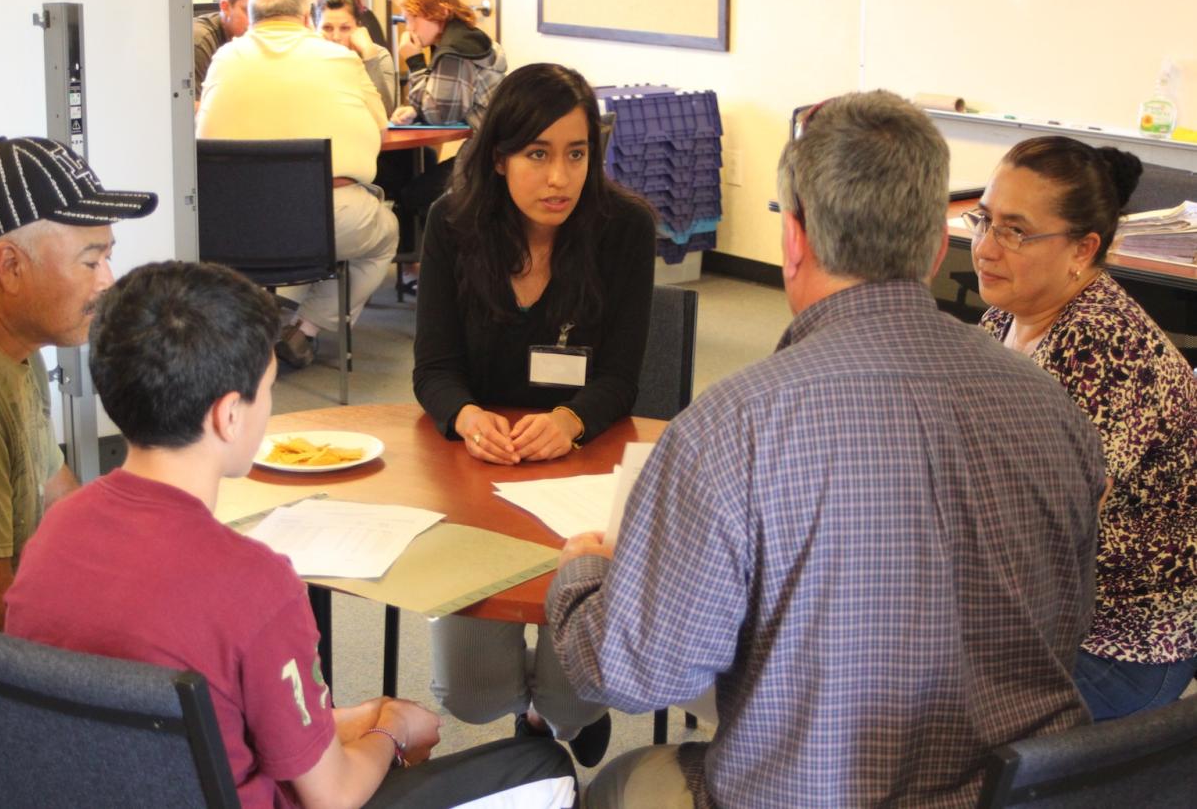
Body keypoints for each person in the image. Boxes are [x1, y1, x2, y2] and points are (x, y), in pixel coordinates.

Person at [547, 92, 1108, 808]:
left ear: (794, 239)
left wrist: (584, 575)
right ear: (938, 248)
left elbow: (635, 673)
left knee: (621, 785)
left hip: (811, 795)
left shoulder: (733, 426)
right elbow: (1068, 621)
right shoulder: (1055, 408)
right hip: (1018, 794)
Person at [4, 260, 577, 809]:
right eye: (270, 388)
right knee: (545, 770)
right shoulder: (255, 583)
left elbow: (215, 711)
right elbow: (333, 795)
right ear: (229, 416)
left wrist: (356, 719)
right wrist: (393, 731)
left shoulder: (54, 534)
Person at [412, 63, 656, 769]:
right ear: (499, 157)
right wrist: (464, 417)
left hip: (578, 468)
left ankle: (552, 716)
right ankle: (526, 710)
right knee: (472, 694)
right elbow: (433, 370)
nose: (559, 178)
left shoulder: (624, 229)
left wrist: (569, 420)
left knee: (572, 693)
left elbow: (620, 378)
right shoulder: (452, 224)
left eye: (576, 154)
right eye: (538, 154)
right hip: (476, 471)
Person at [970, 135, 1197, 721]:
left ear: (1082, 248)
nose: (984, 248)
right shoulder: (1006, 316)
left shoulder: (1105, 347)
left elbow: (1046, 528)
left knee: (929, 727)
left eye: (1014, 231)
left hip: (1118, 641)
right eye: (985, 220)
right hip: (1040, 610)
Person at [0, 135, 156, 631]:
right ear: (10, 265)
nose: (108, 280)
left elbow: (60, 500)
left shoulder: (8, 339)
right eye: (90, 261)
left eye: (108, 257)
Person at [197, 0, 399, 369]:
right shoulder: (341, 60)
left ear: (251, 19)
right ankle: (304, 330)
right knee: (383, 234)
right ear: (308, 17)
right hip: (323, 219)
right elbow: (381, 126)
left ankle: (245, 336)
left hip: (230, 226)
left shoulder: (224, 58)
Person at [390, 0, 507, 235]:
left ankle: (427, 267)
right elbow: (445, 100)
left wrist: (415, 62)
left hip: (485, 159)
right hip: (500, 147)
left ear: (440, 12)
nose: (408, 28)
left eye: (413, 18)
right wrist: (417, 109)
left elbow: (440, 115)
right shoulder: (473, 39)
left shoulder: (454, 52)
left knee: (413, 193)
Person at [316, 0, 397, 114]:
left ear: (358, 27)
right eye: (327, 28)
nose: (336, 37)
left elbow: (385, 112)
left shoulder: (378, 55)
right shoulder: (308, 55)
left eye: (345, 28)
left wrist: (369, 56)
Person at [192, 0, 266, 102]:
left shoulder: (259, 38)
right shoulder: (199, 42)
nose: (257, 21)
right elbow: (189, 109)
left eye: (262, 12)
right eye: (249, 11)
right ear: (225, 7)